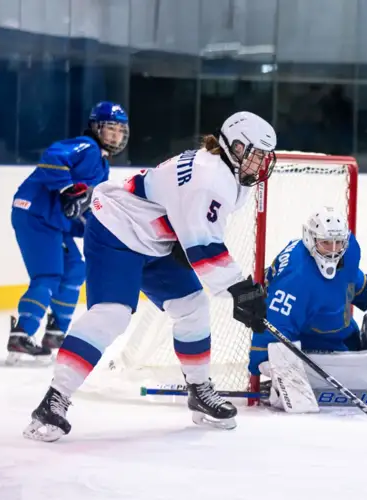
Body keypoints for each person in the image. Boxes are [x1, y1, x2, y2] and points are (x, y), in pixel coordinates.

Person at [23, 111, 276, 442]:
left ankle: (199, 389)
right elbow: (204, 248)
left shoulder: (223, 172)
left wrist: (235, 288)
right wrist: (240, 291)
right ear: (234, 146)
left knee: (192, 305)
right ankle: (54, 400)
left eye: (263, 157)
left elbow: (196, 232)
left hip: (156, 240)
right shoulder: (209, 176)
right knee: (111, 315)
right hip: (118, 229)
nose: (258, 164)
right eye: (253, 154)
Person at [247, 206, 367, 413]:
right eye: (326, 243)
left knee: (354, 347)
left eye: (338, 243)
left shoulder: (349, 250)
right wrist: (270, 364)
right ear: (310, 239)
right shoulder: (296, 279)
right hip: (310, 342)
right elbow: (276, 322)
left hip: (339, 330)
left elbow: (347, 279)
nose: (333, 250)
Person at [9, 102, 129, 363]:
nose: (115, 135)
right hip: (34, 213)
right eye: (110, 128)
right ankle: (21, 335)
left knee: (74, 268)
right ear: (96, 127)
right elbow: (53, 156)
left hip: (52, 221)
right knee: (48, 275)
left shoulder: (102, 165)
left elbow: (81, 210)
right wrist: (67, 189)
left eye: (119, 130)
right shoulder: (86, 147)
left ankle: (55, 333)